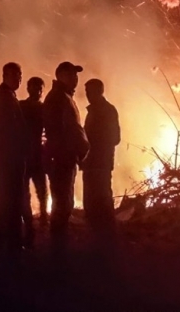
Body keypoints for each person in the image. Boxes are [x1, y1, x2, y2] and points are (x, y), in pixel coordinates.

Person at [43, 61, 89, 253]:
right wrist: (79, 148)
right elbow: (64, 130)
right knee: (62, 203)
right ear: (61, 76)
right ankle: (58, 251)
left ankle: (59, 247)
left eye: (76, 75)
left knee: (64, 202)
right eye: (71, 75)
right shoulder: (58, 98)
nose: (75, 79)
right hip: (62, 158)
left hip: (65, 157)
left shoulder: (63, 97)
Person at [0, 62, 27, 256]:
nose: (19, 79)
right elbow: (9, 130)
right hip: (8, 156)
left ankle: (2, 236)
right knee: (10, 197)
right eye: (15, 76)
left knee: (5, 195)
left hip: (6, 155)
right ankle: (10, 239)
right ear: (5, 76)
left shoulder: (6, 96)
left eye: (20, 76)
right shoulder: (4, 98)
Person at [81, 78, 120, 242]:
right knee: (95, 199)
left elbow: (115, 138)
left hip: (99, 163)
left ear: (99, 91)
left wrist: (92, 145)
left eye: (90, 92)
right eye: (86, 92)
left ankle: (105, 237)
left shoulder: (106, 111)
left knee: (100, 199)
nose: (87, 95)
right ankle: (100, 236)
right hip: (94, 163)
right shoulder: (95, 111)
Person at [19, 77, 48, 248]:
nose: (37, 91)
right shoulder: (23, 107)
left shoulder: (41, 108)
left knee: (40, 191)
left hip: (34, 155)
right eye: (34, 87)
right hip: (28, 156)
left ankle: (39, 220)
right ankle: (31, 223)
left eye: (39, 88)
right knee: (31, 192)